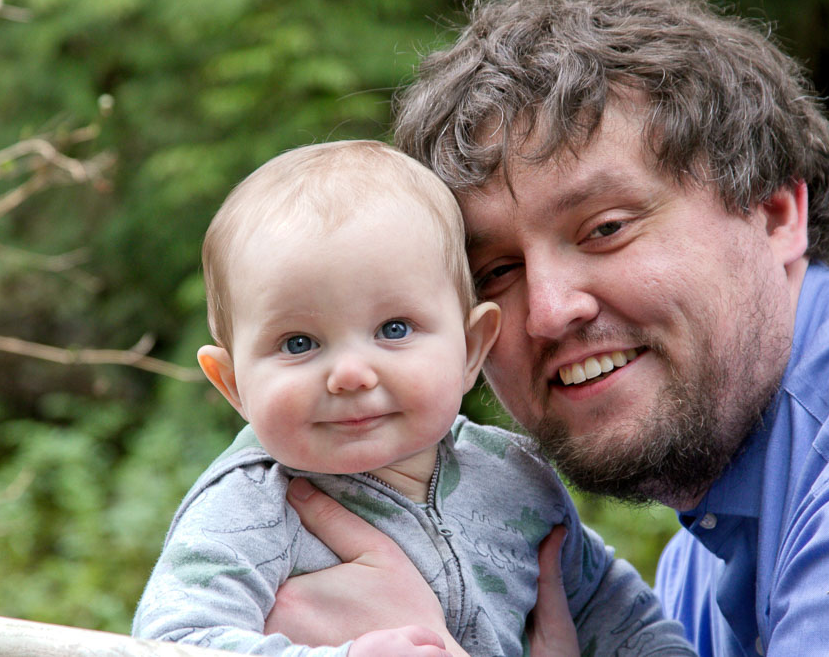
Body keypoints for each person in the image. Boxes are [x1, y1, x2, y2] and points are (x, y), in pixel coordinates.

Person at [263, 0, 829, 656]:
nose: (548, 311)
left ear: (773, 212)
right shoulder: (706, 543)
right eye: (496, 273)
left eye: (605, 228)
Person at [131, 140, 695, 657]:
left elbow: (618, 617)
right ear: (232, 384)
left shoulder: (515, 479)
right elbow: (171, 644)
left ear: (472, 348)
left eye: (394, 329)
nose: (350, 374)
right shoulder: (249, 507)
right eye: (298, 343)